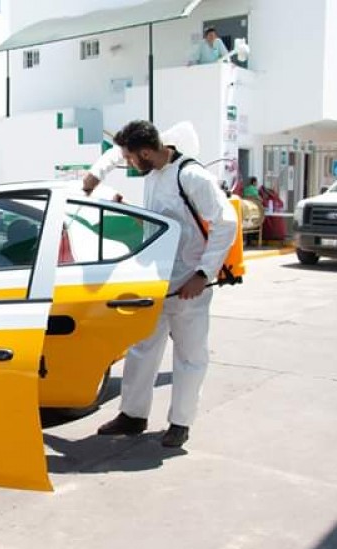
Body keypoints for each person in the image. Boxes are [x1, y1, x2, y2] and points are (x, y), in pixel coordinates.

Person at [82, 120, 237, 447]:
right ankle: (133, 415)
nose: (128, 163)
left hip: (189, 287)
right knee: (142, 349)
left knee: (189, 356)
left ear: (147, 152)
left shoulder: (191, 176)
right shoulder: (154, 174)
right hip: (155, 283)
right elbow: (163, 225)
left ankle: (180, 423)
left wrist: (202, 274)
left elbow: (226, 223)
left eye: (131, 158)